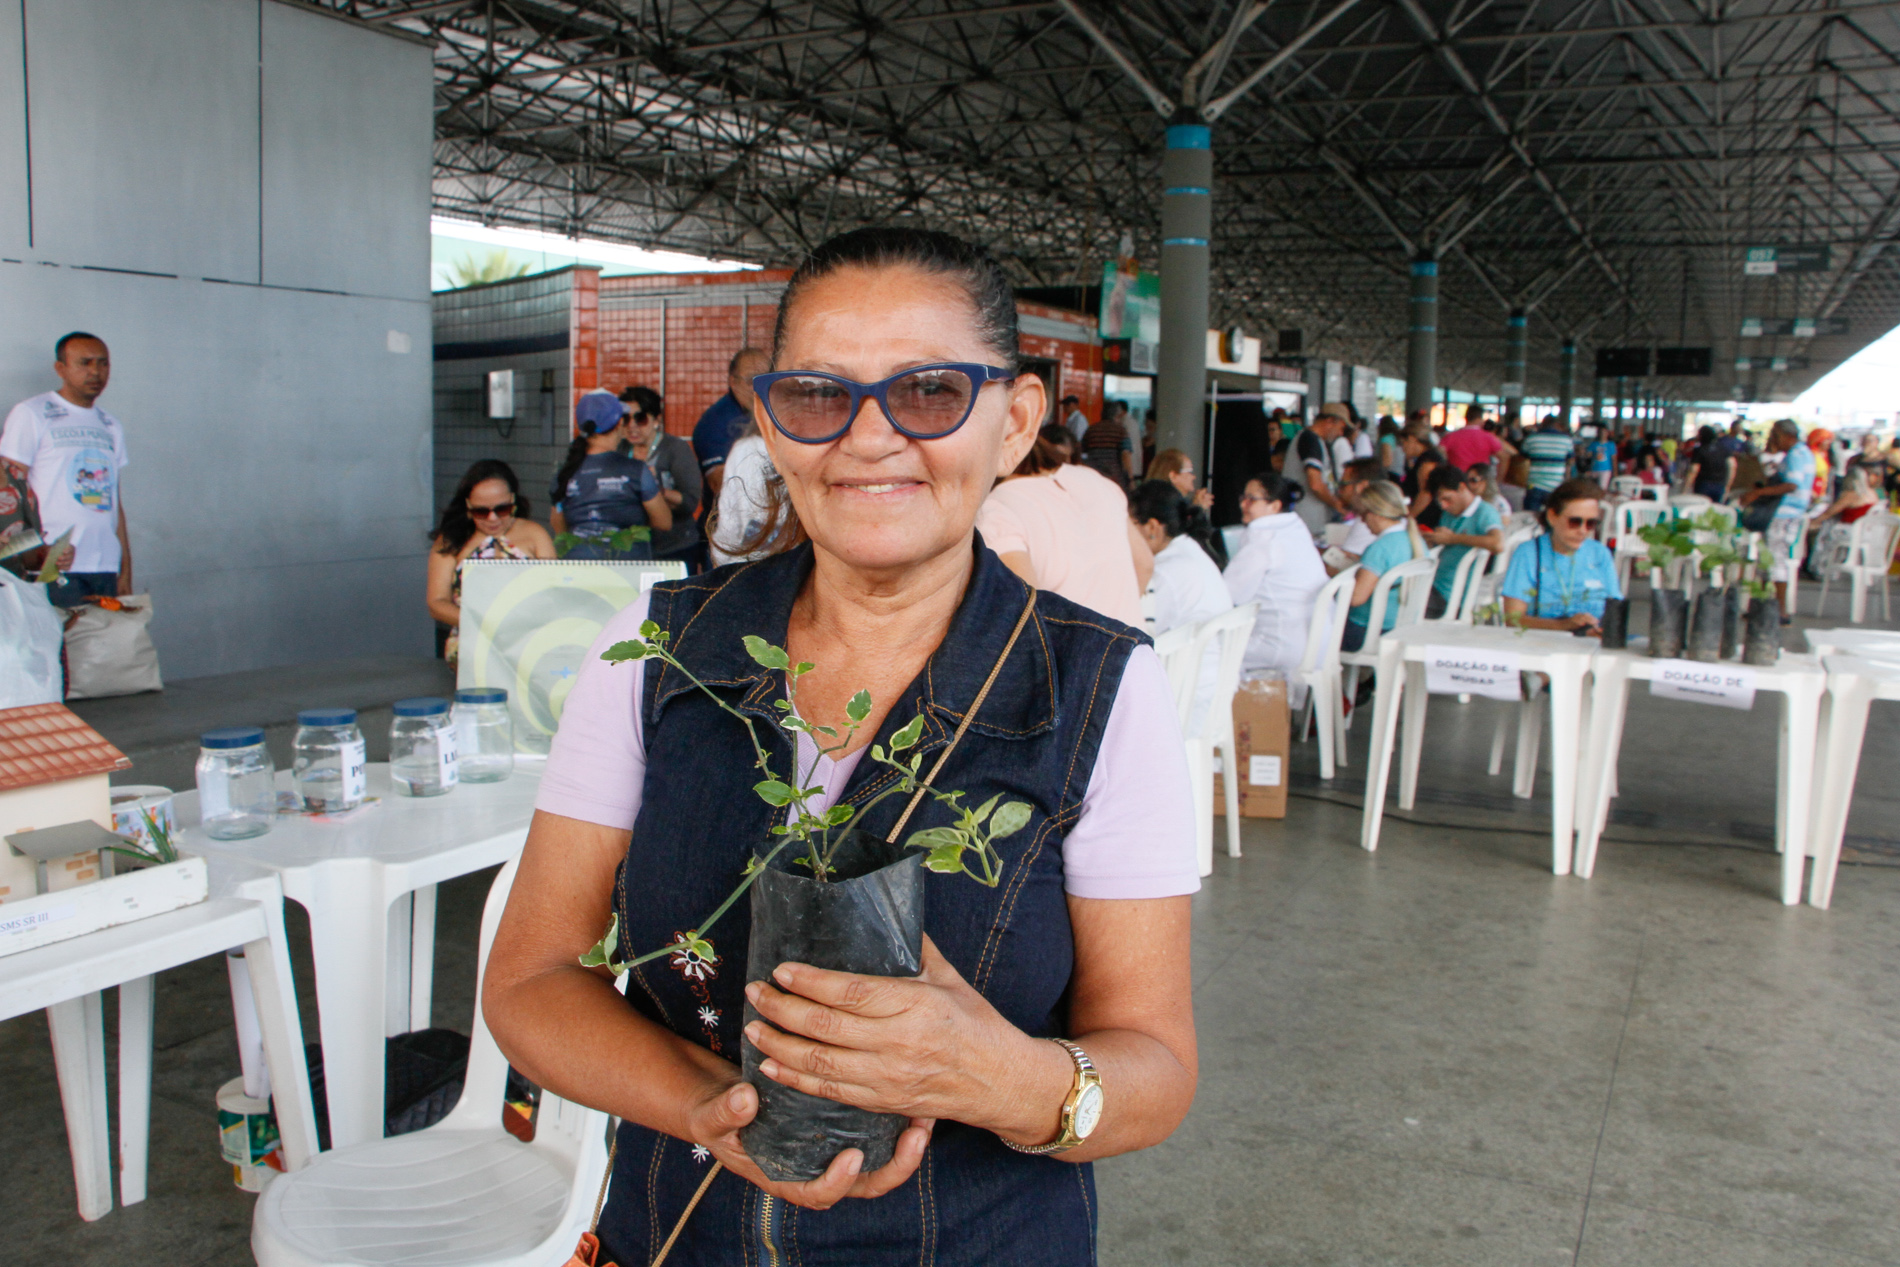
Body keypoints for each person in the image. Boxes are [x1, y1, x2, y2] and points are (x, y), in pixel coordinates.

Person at [482, 226, 1198, 1267]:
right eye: (820, 395)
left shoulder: (1094, 691)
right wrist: (710, 1106)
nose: (869, 437)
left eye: (930, 392)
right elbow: (530, 980)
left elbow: (1158, 1069)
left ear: (1015, 421)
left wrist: (1000, 1077)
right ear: (770, 420)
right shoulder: (659, 651)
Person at [0, 332, 131, 607]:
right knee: (58, 648)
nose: (95, 371)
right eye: (84, 363)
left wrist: (125, 568)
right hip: (52, 566)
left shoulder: (110, 425)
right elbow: (8, 494)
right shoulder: (33, 413)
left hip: (103, 566)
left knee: (104, 647)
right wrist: (33, 553)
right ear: (60, 368)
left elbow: (114, 504)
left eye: (103, 363)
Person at [977, 424, 1151, 626]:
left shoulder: (996, 508)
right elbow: (1144, 564)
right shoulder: (1095, 479)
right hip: (1133, 648)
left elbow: (1023, 614)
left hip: (1069, 656)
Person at [426, 459, 557, 661]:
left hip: (528, 639)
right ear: (468, 507)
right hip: (472, 642)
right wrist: (484, 624)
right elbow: (436, 602)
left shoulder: (534, 534)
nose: (492, 518)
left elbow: (552, 590)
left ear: (513, 501)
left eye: (502, 509)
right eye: (481, 511)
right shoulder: (451, 540)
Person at [1129, 480, 1232, 731]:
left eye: (1130, 527)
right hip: (1212, 689)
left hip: (1186, 697)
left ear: (1152, 527)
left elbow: (1134, 630)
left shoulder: (1165, 573)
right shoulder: (1190, 552)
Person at [1222, 471, 1328, 694]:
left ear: (1275, 506)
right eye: (1243, 497)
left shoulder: (1263, 538)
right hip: (1317, 640)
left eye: (1252, 499)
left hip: (1284, 645)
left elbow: (1229, 595)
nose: (1244, 504)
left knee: (1209, 648)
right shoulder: (1295, 528)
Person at [550, 391, 673, 559]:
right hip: (627, 568)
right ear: (620, 423)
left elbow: (559, 529)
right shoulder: (637, 470)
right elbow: (664, 522)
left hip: (578, 568)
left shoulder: (564, 473)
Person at [1500, 479, 1622, 633]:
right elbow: (1513, 619)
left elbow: (1615, 610)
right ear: (1552, 517)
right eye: (1574, 522)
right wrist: (1564, 626)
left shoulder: (1600, 553)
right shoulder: (1529, 553)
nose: (1583, 530)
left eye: (1591, 523)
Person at [622, 385, 705, 571]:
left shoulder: (675, 449)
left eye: (640, 418)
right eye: (625, 419)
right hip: (633, 547)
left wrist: (655, 489)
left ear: (656, 420)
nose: (632, 425)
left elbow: (690, 501)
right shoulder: (620, 449)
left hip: (675, 546)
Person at [1738, 418, 1815, 620]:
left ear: (1787, 436)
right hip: (1785, 513)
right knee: (1768, 559)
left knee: (1775, 560)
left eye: (1776, 435)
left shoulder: (1796, 454)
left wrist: (1758, 494)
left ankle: (1781, 610)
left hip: (1784, 514)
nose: (1773, 438)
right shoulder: (1800, 453)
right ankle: (1762, 605)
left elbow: (1792, 485)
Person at [1341, 480, 1428, 652]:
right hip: (1403, 624)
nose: (1363, 521)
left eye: (1362, 514)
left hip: (1370, 630)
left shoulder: (1379, 548)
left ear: (1374, 514)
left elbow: (1356, 598)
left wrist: (1337, 583)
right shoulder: (1416, 540)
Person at [694, 348, 771, 504]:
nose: (759, 386)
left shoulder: (778, 412)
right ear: (733, 382)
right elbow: (719, 483)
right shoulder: (714, 422)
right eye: (751, 380)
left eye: (765, 379)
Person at [1423, 464, 1503, 616]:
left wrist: (1453, 538)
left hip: (1450, 594)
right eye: (1439, 501)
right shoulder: (1448, 513)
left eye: (1447, 499)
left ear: (1461, 488)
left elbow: (1498, 544)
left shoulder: (1485, 512)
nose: (1444, 505)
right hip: (1436, 583)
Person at [1145, 448, 1225, 566]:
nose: (1194, 477)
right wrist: (1197, 510)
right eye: (1190, 471)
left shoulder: (1171, 503)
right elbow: (1186, 537)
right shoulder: (1162, 507)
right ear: (1173, 476)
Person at [1806, 465, 1881, 579]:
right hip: (1868, 532)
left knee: (1822, 530)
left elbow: (1830, 513)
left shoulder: (1851, 495)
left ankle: (1821, 568)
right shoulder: (1873, 494)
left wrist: (1812, 522)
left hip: (1851, 532)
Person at [1292, 403, 1351, 537]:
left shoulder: (1316, 441)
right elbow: (1315, 484)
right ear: (1329, 421)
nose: (1341, 434)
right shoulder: (1309, 439)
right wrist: (1336, 504)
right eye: (1341, 428)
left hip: (1311, 518)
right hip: (1307, 519)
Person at [1398, 418, 1448, 528]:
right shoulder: (1427, 458)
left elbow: (1426, 494)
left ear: (1412, 439)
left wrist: (1409, 517)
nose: (1403, 448)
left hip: (1428, 517)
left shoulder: (1427, 462)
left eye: (1403, 443)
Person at [1441, 402, 1515, 472]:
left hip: (1457, 478)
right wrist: (1499, 480)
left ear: (1466, 418)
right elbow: (1504, 457)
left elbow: (1440, 452)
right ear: (1479, 419)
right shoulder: (1488, 437)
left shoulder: (1451, 436)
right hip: (1481, 479)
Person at [1081, 400, 1134, 489]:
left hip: (1093, 477)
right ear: (1117, 415)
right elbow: (1126, 456)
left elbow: (1082, 452)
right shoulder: (1121, 431)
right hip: (1115, 478)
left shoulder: (1091, 430)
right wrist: (1131, 480)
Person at [1684, 425, 1733, 502]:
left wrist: (1686, 488)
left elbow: (1694, 470)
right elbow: (1733, 466)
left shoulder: (1700, 450)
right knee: (1715, 510)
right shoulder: (1723, 448)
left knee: (1702, 509)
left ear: (1702, 436)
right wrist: (1728, 485)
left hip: (1703, 485)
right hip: (1720, 485)